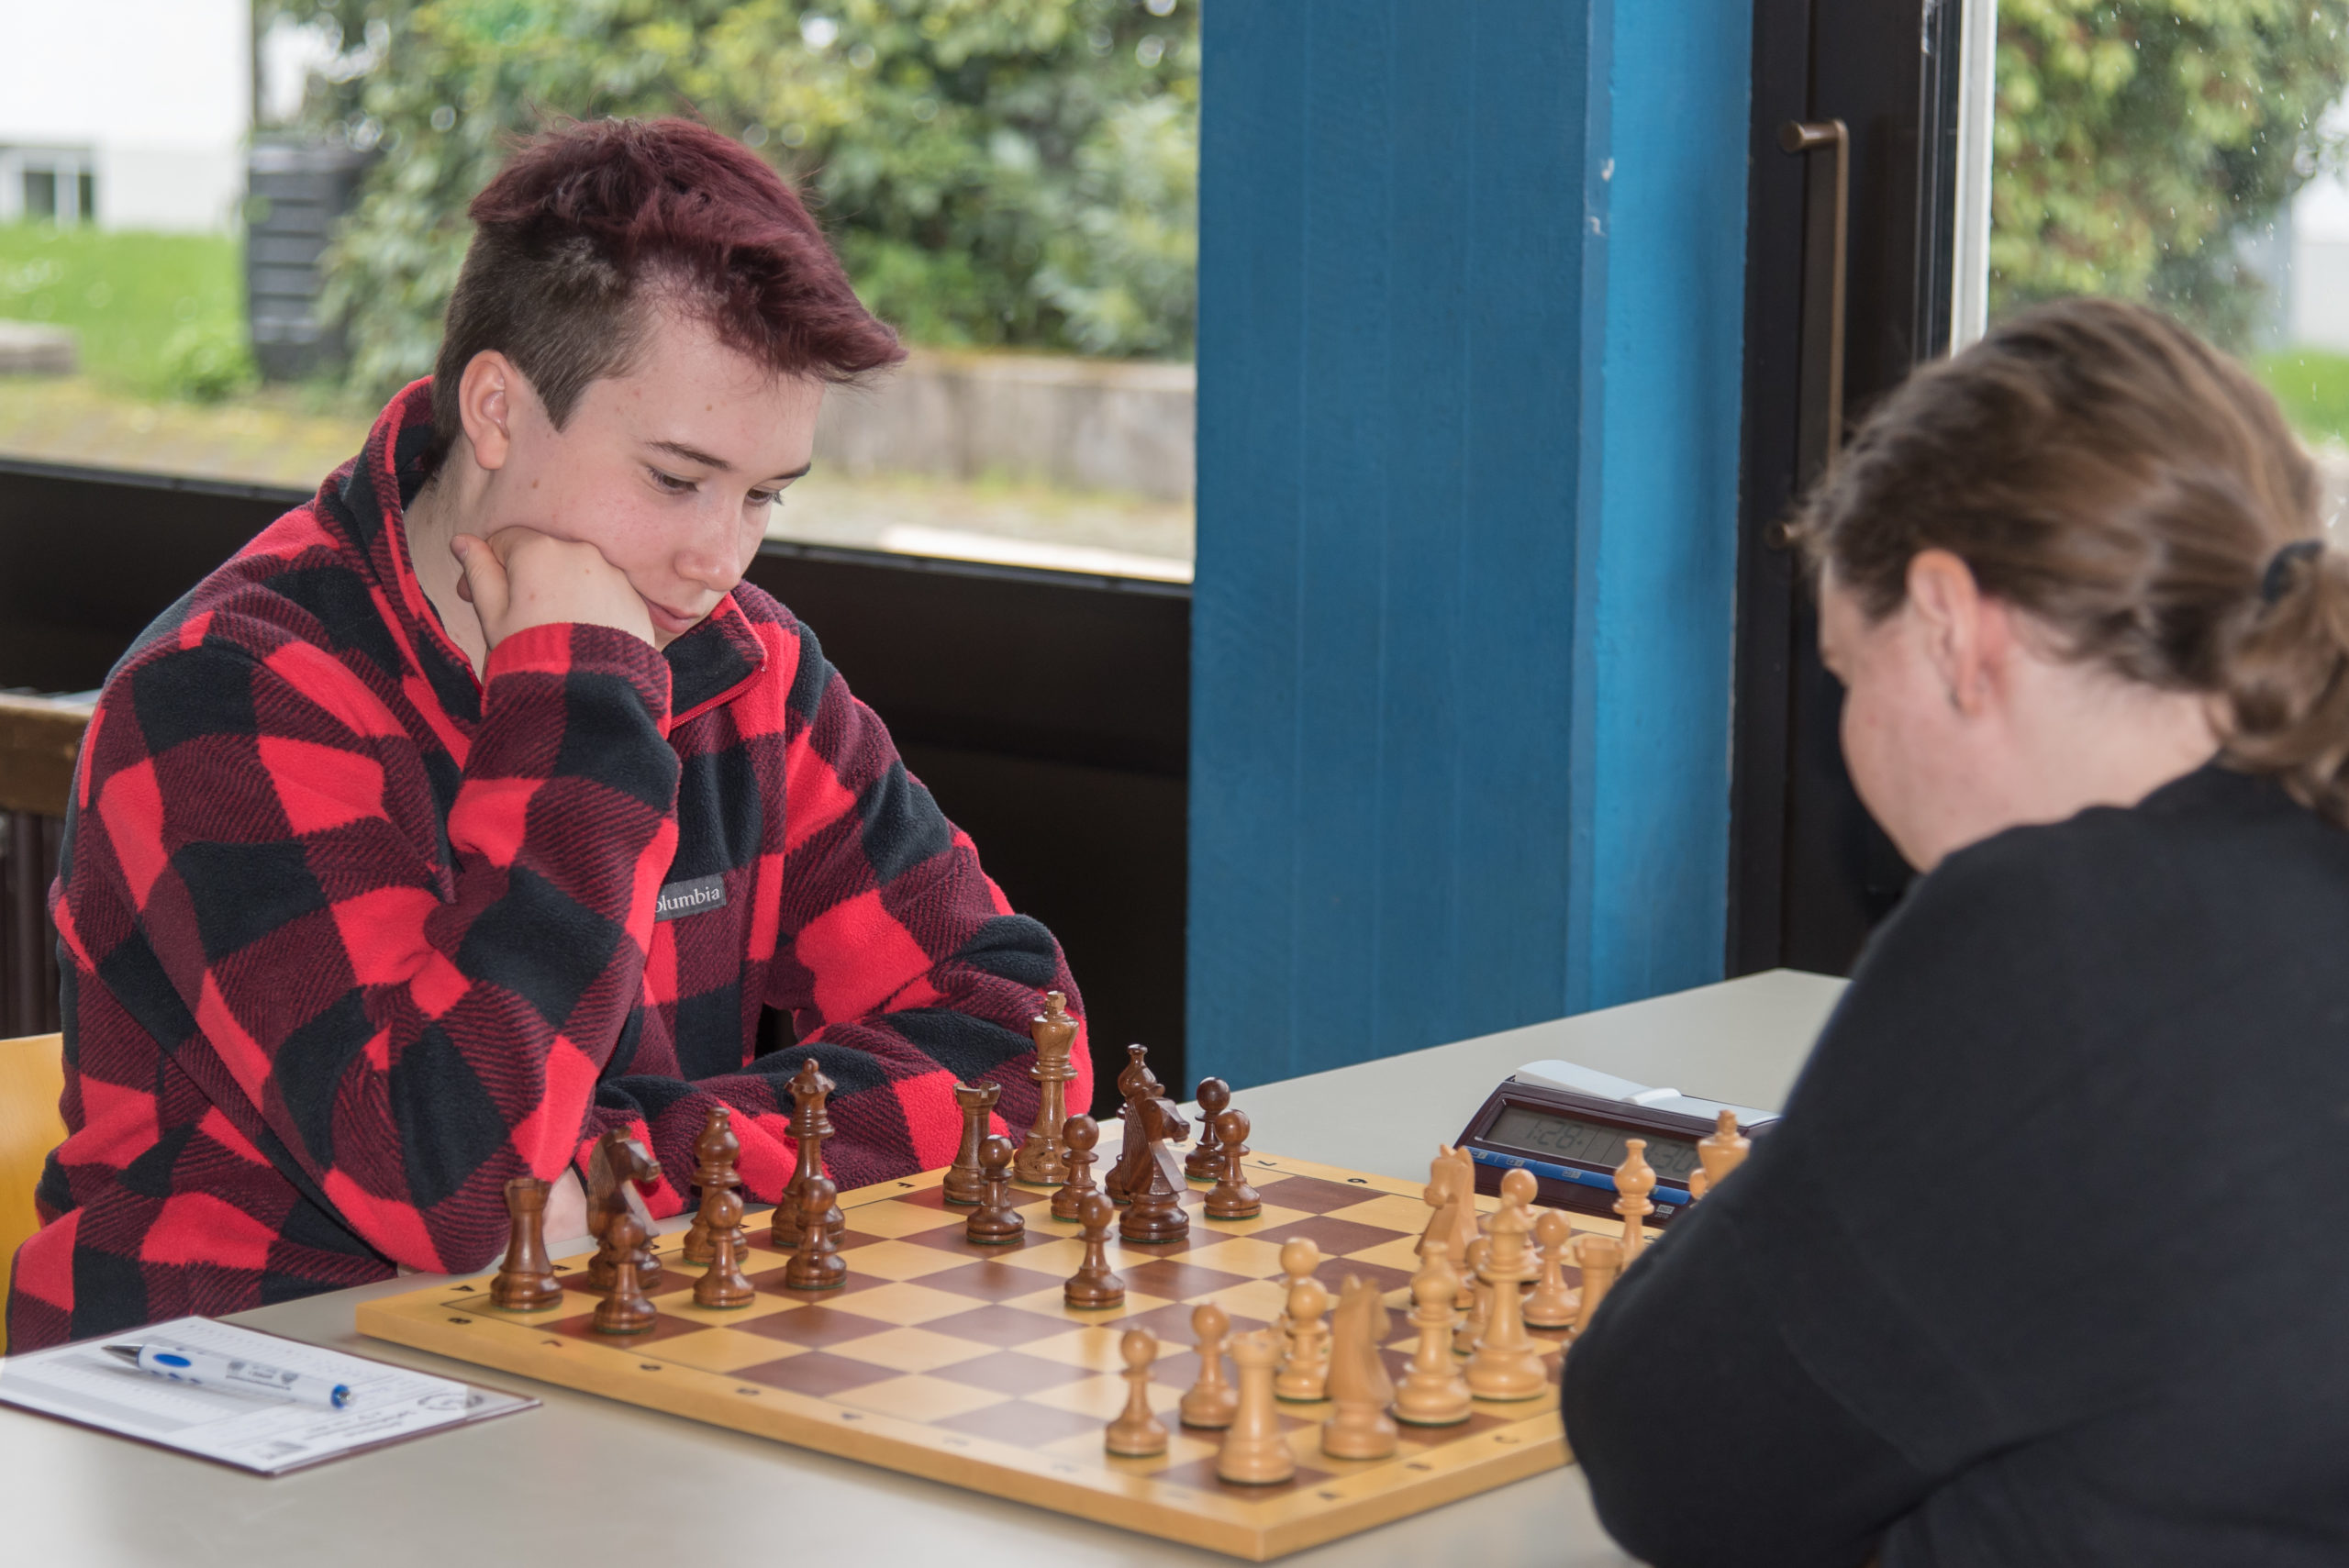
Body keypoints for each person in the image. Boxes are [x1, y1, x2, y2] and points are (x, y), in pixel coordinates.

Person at [6, 119, 1085, 1351]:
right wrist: (583, 710)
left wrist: (629, 1171)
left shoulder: (746, 668)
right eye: (676, 478)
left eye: (763, 496)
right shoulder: (222, 695)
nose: (718, 558)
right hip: (223, 1397)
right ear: (497, 409)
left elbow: (1020, 1037)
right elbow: (457, 1187)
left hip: (583, 1360)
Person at [1563, 298, 2349, 1564]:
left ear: (1949, 626)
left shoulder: (2063, 936)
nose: (1848, 739)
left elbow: (1669, 1452)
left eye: (1844, 673)